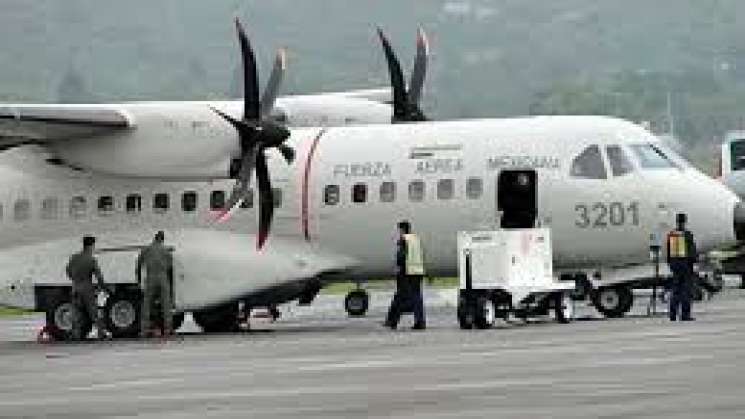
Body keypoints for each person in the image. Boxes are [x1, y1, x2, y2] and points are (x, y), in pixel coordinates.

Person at [384, 220, 426, 330]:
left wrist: (398, 266)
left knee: (400, 297)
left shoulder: (404, 240)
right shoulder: (416, 239)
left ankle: (392, 321)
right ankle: (420, 322)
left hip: (406, 273)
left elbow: (401, 256)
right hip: (417, 271)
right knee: (417, 299)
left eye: (399, 230)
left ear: (402, 229)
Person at [66, 235, 108, 340]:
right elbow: (99, 277)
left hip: (75, 288)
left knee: (76, 313)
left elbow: (68, 271)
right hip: (87, 289)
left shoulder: (74, 257)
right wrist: (104, 288)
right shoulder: (91, 260)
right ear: (91, 246)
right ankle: (101, 333)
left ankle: (75, 335)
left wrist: (75, 280)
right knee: (94, 313)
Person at [136, 231, 174, 337]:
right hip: (163, 278)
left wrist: (138, 280)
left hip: (151, 277)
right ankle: (168, 329)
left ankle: (144, 330)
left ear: (154, 238)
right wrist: (170, 284)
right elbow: (170, 269)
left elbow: (138, 266)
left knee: (147, 305)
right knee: (166, 305)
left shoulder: (146, 250)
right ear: (162, 239)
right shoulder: (166, 251)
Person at [666, 213, 698, 321]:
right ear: (685, 221)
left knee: (675, 290)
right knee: (686, 291)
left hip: (675, 265)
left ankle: (672, 314)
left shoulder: (672, 234)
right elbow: (692, 252)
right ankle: (685, 314)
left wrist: (671, 264)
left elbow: (669, 252)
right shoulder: (687, 234)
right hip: (686, 265)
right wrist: (693, 263)